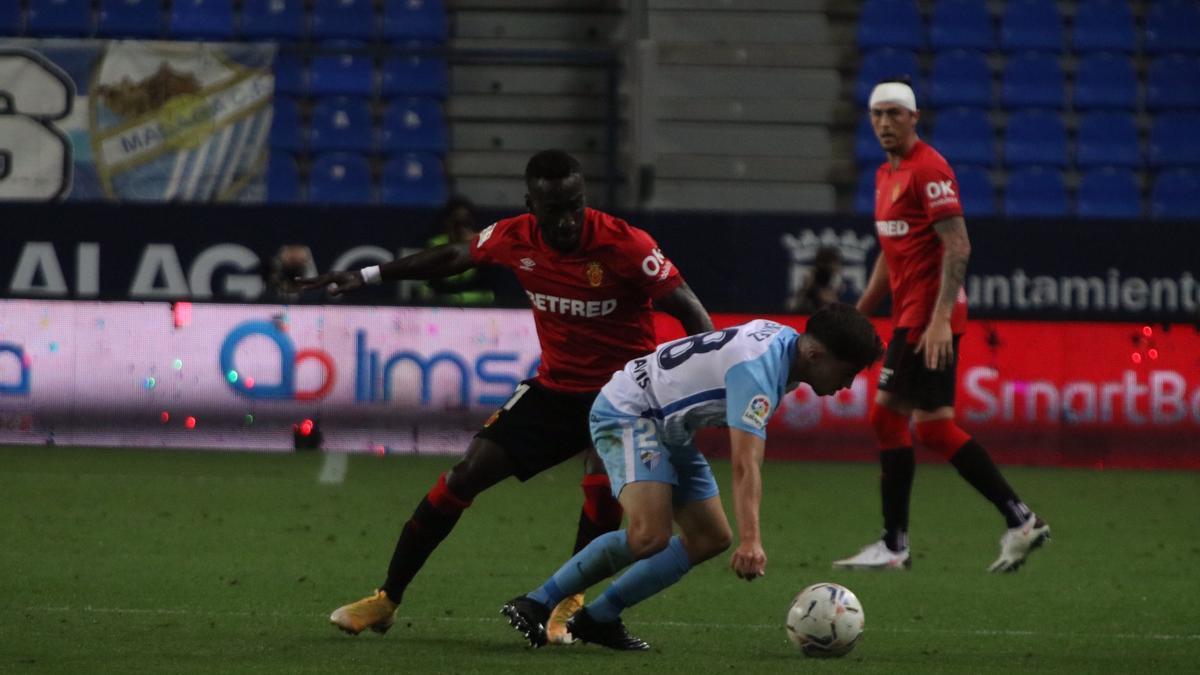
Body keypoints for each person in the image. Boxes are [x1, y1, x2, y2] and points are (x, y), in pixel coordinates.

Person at [296, 149, 713, 640]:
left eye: (575, 205)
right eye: (554, 209)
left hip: (624, 395)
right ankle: (386, 599)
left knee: (602, 489)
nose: (566, 220)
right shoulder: (514, 235)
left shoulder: (626, 245)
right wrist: (369, 275)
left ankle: (567, 606)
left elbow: (692, 314)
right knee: (465, 474)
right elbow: (456, 256)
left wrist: (697, 389)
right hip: (554, 389)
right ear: (531, 205)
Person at [501, 306, 883, 650]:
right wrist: (752, 541)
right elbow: (745, 464)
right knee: (649, 534)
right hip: (630, 412)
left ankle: (598, 619)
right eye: (846, 372)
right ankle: (536, 603)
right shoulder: (759, 373)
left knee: (710, 537)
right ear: (815, 355)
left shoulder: (784, 342)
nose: (847, 385)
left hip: (667, 426)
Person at [832, 79, 1050, 573]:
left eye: (894, 114)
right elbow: (893, 254)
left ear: (914, 118)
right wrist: (862, 311)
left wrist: (936, 323)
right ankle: (1020, 519)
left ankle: (895, 544)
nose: (885, 123)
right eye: (877, 115)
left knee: (887, 417)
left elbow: (959, 245)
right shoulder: (885, 176)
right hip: (912, 314)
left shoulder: (929, 168)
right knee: (932, 427)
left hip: (928, 317)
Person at [422, 196, 496, 305]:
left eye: (465, 222)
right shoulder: (435, 245)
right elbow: (435, 285)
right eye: (457, 222)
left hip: (477, 306)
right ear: (447, 222)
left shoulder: (482, 245)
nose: (461, 228)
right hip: (444, 306)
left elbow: (485, 284)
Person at [787, 245, 846, 313]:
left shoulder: (836, 279)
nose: (837, 266)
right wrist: (807, 287)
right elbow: (795, 305)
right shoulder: (812, 277)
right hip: (809, 311)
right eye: (834, 263)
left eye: (837, 263)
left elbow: (832, 300)